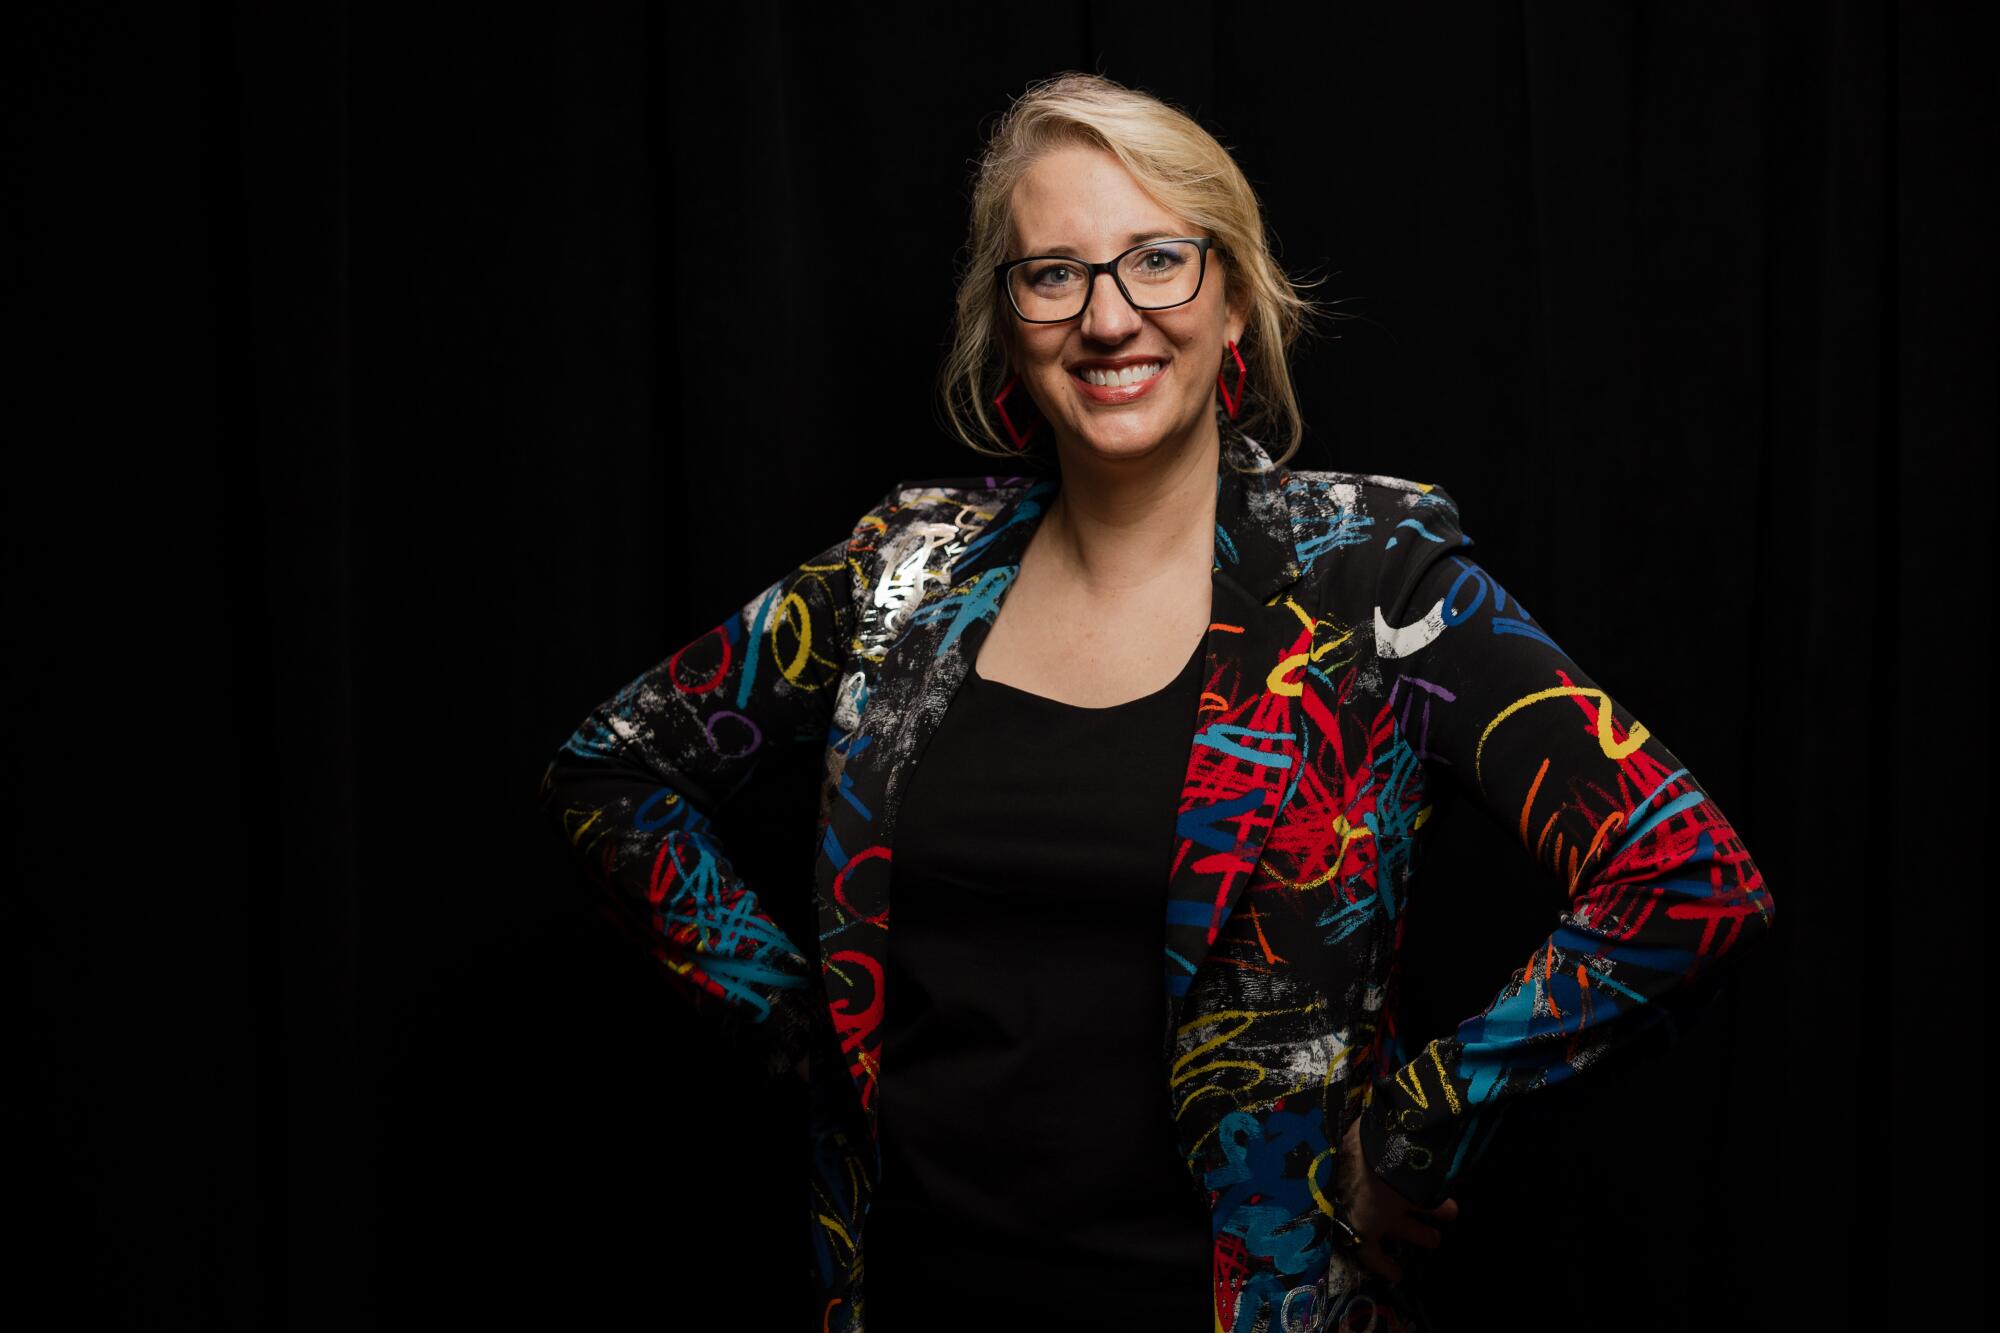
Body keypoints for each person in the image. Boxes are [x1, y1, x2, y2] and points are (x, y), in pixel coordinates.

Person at [537, 71, 1777, 1333]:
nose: (1108, 316)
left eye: (1157, 261)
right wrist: (802, 1025)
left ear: (1233, 299)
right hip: (908, 1296)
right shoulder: (905, 570)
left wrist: (1422, 1123)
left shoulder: (1364, 579)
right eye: (1054, 273)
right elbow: (612, 770)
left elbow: (1683, 876)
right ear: (1007, 322)